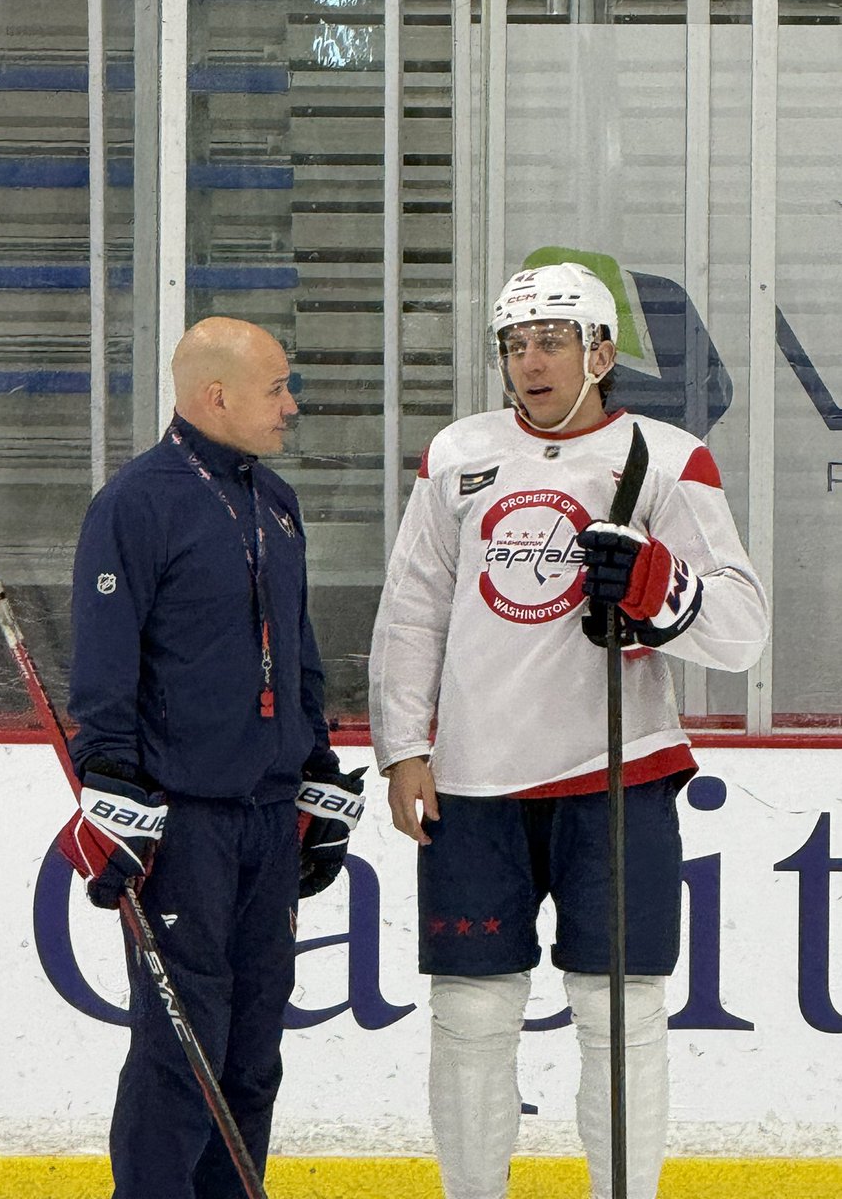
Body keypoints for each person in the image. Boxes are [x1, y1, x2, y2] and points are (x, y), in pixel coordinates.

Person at [368, 262, 769, 1199]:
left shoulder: (665, 459)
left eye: (551, 340)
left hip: (616, 775)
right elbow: (412, 610)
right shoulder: (459, 452)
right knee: (470, 1014)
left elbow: (742, 631)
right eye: (515, 344)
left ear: (600, 351)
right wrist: (403, 749)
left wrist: (664, 592)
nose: (530, 361)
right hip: (471, 781)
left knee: (621, 1014)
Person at [56, 317, 366, 1199]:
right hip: (183, 824)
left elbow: (295, 653)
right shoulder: (136, 504)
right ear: (215, 393)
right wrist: (109, 784)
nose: (291, 405)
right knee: (181, 1052)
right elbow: (105, 668)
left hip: (267, 819)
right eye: (276, 388)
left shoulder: (275, 502)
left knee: (251, 1051)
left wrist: (314, 769)